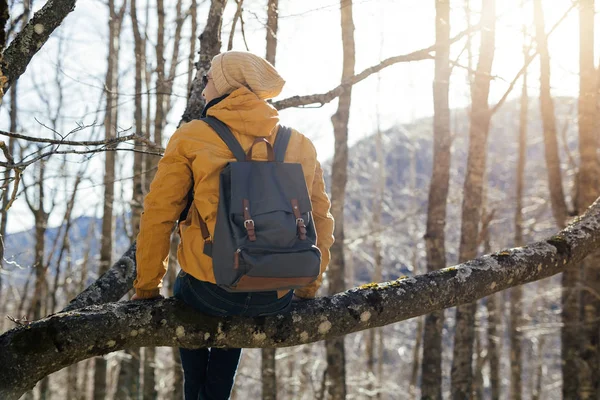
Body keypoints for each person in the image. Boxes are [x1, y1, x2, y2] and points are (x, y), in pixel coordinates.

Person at [132, 51, 335, 400]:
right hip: (277, 294)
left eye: (208, 79)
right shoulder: (300, 143)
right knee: (248, 285)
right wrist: (307, 289)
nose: (203, 87)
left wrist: (147, 288)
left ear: (228, 85)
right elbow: (320, 220)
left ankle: (196, 392)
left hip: (209, 294)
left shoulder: (192, 136)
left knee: (204, 283)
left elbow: (158, 216)